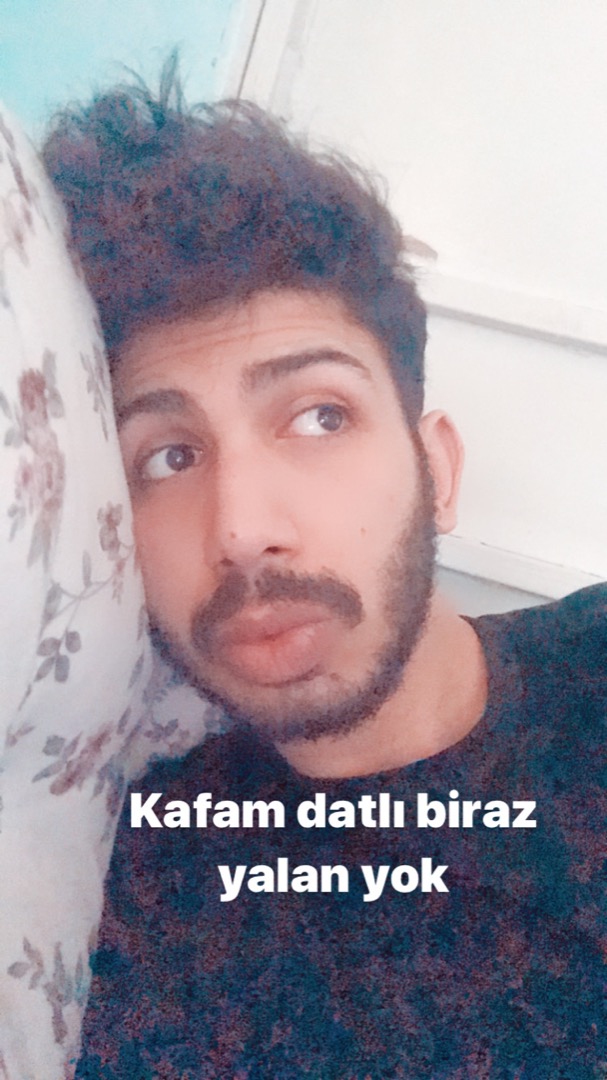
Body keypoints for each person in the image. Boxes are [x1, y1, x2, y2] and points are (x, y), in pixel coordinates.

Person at [43, 67, 606, 1079]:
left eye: (317, 416)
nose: (243, 530)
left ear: (437, 469)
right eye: (167, 457)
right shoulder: (152, 910)